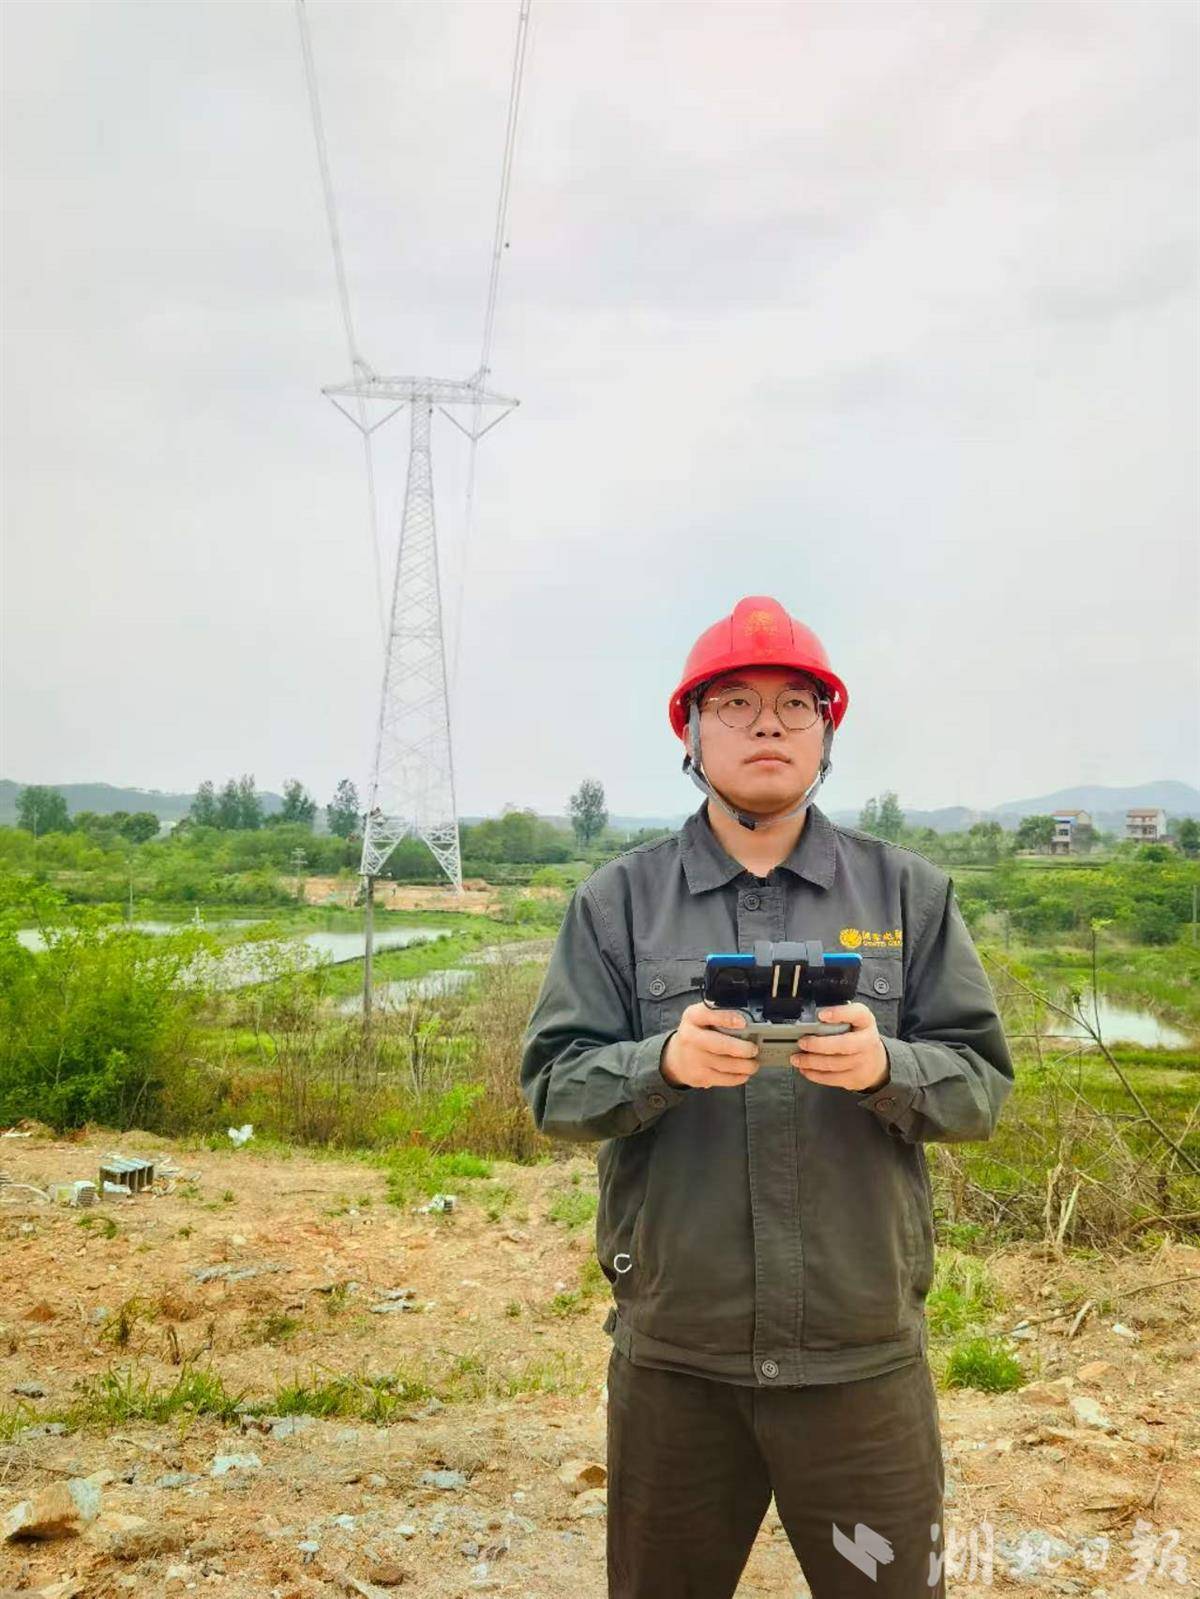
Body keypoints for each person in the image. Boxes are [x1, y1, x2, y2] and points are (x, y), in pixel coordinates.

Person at [519, 595, 1014, 1598]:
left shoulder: (908, 895)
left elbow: (981, 1086)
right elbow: (553, 1087)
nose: (768, 726)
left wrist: (890, 1069)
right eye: (735, 704)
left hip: (861, 1359)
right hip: (679, 1360)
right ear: (690, 733)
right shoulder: (617, 902)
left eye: (795, 704)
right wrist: (660, 1064)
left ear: (827, 732)